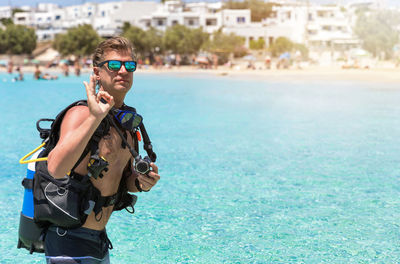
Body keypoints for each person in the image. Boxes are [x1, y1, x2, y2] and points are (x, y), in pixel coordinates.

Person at [44, 36, 160, 263]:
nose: (123, 71)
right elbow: (56, 168)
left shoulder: (127, 124)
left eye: (130, 65)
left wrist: (140, 182)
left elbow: (122, 180)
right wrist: (95, 117)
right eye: (114, 65)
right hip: (68, 241)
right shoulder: (81, 114)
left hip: (98, 241)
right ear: (97, 73)